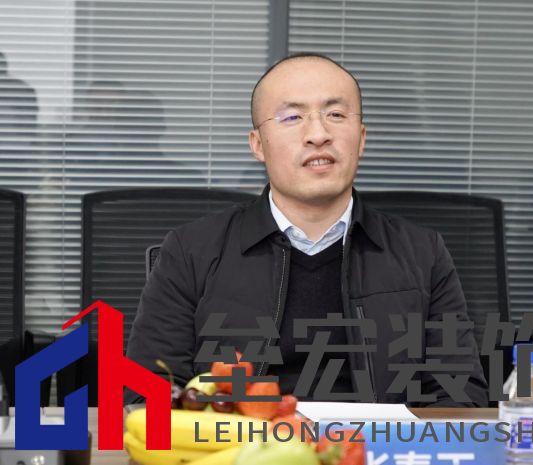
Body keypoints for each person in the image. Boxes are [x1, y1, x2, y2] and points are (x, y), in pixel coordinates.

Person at [125, 53, 488, 406]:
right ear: (257, 145)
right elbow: (145, 393)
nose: (318, 134)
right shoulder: (191, 250)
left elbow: (459, 397)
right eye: (292, 116)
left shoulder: (422, 253)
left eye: (335, 115)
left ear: (361, 138)